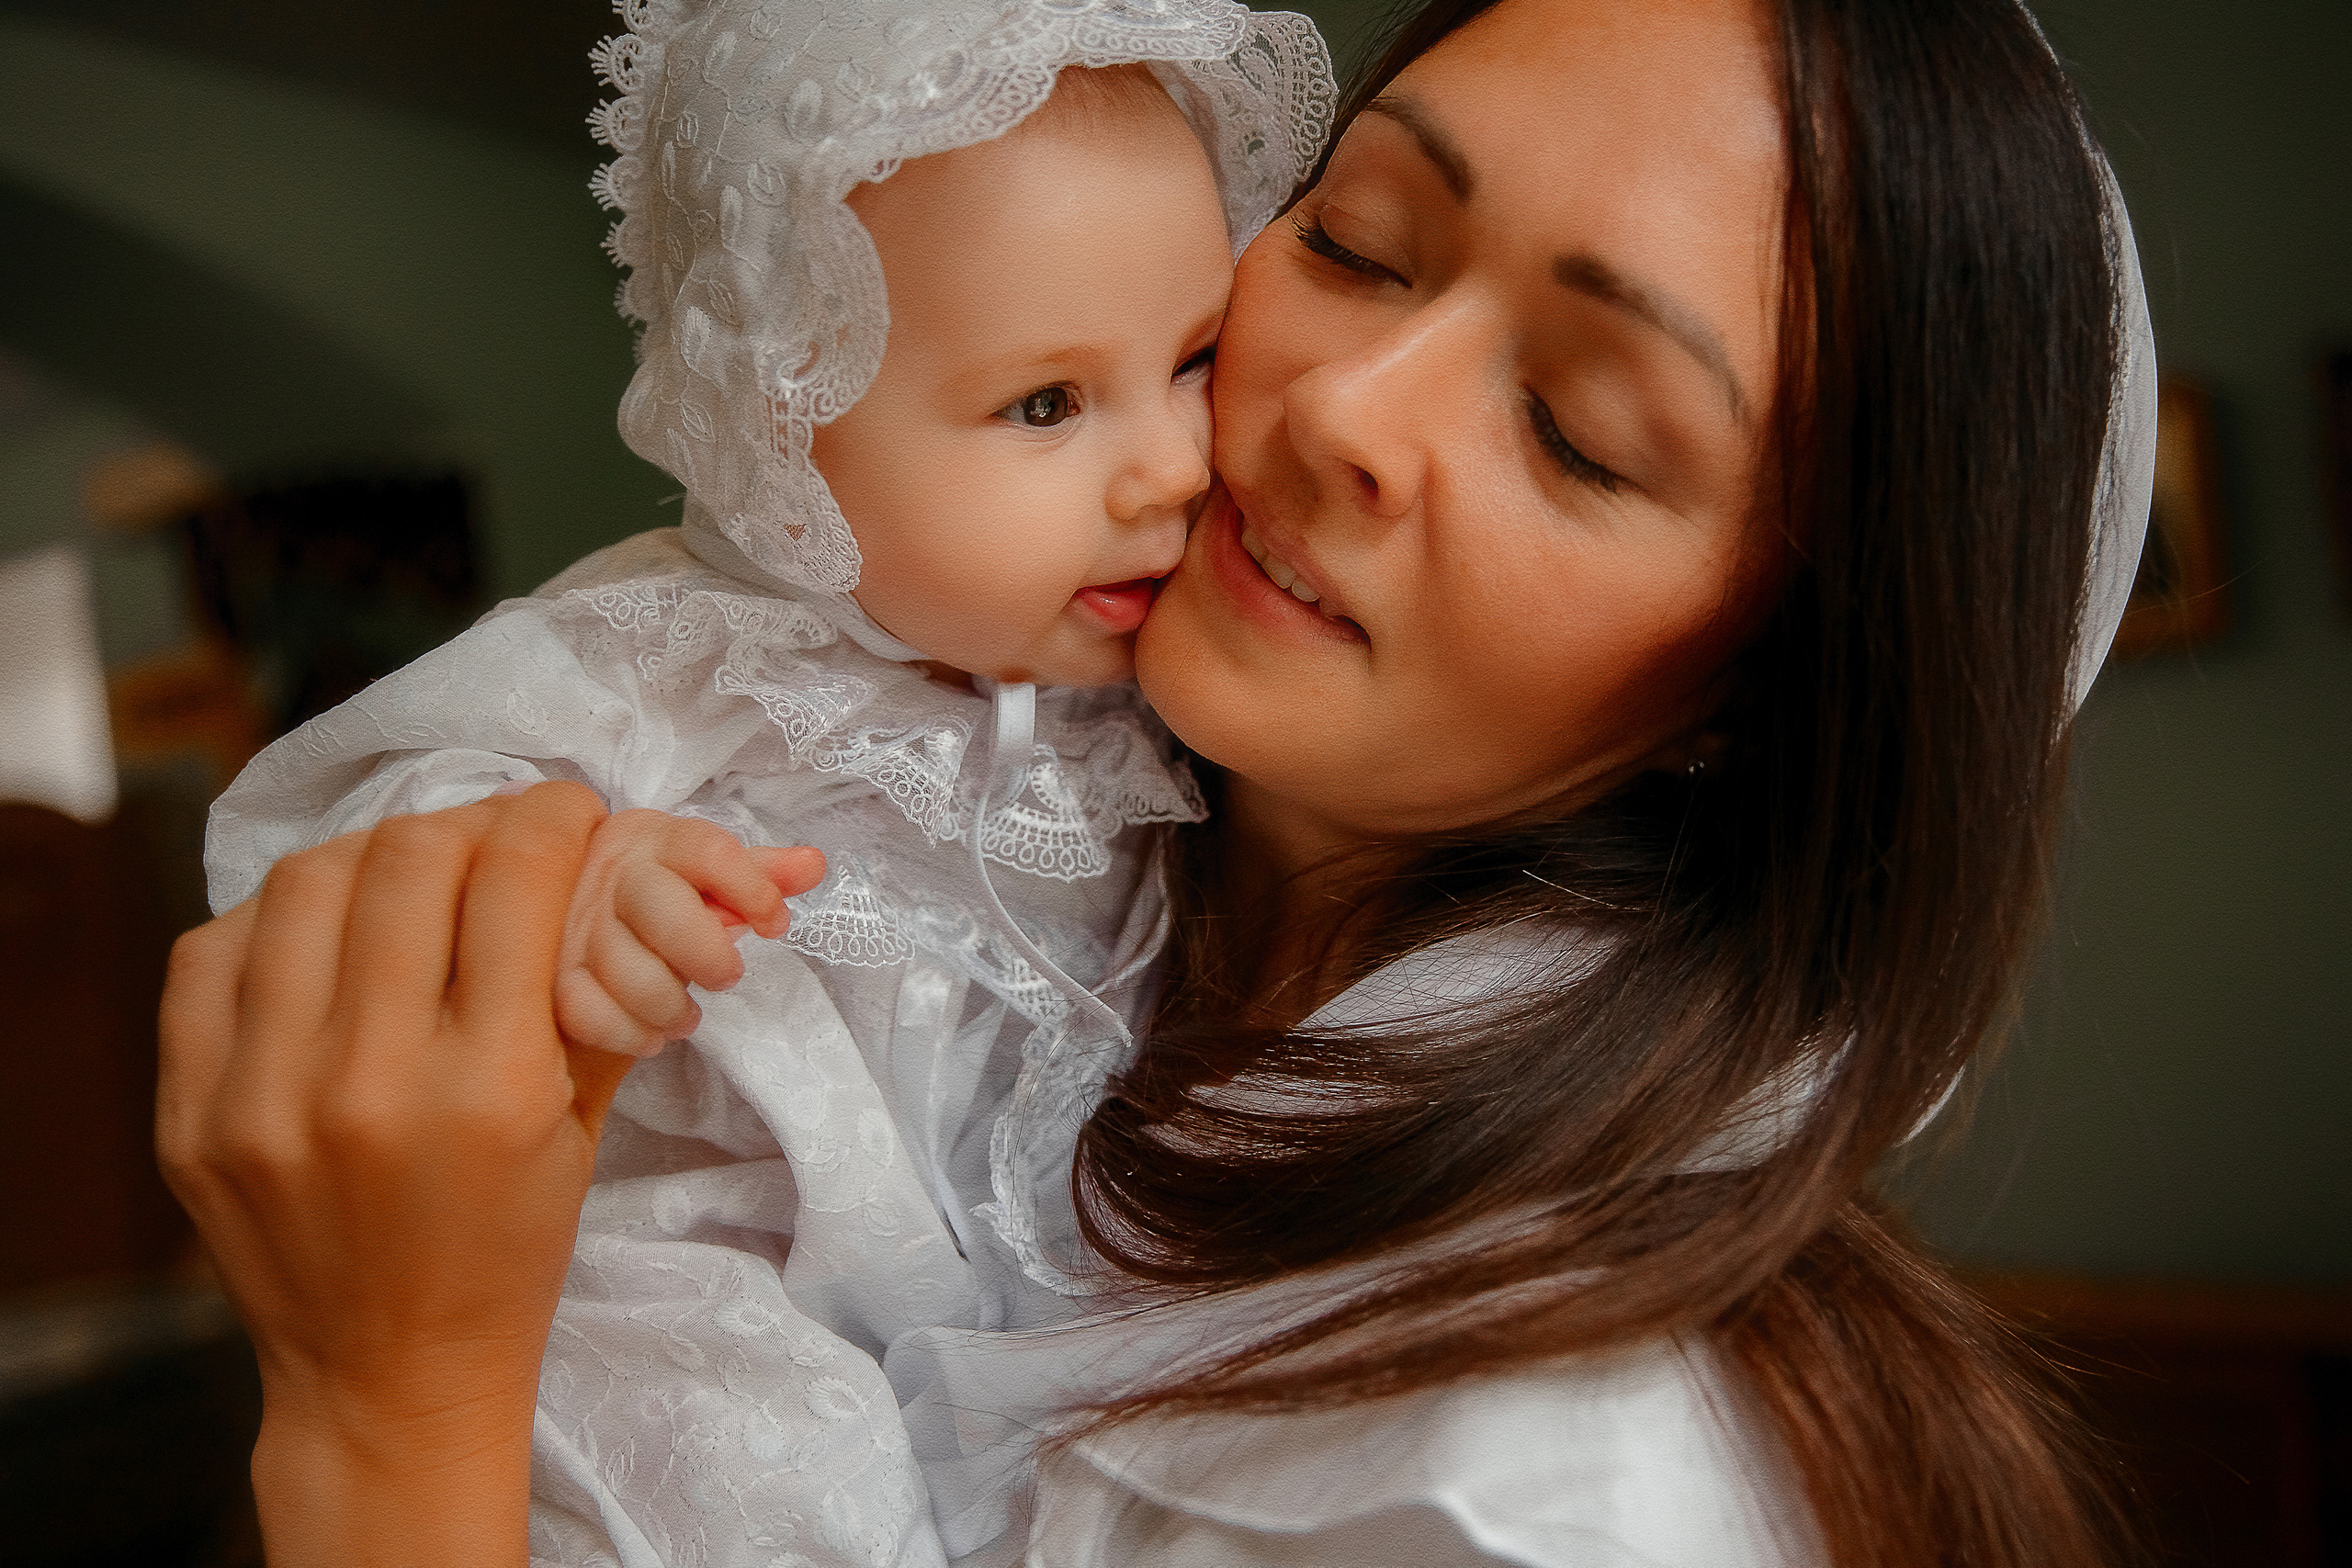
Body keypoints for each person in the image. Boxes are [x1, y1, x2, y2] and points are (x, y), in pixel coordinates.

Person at [157, 0, 2156, 1563]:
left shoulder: (1530, 1479)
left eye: (1576, 428)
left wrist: (388, 1426)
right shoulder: (961, 773)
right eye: (1357, 242)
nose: (1334, 404)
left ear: (1767, 687)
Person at [199, 3, 1330, 1562]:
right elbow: (363, 846)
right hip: (705, 1293)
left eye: (1194, 361)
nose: (1176, 467)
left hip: (1009, 1300)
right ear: (785, 424)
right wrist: (566, 877)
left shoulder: (1142, 683)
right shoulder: (680, 653)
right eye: (1046, 404)